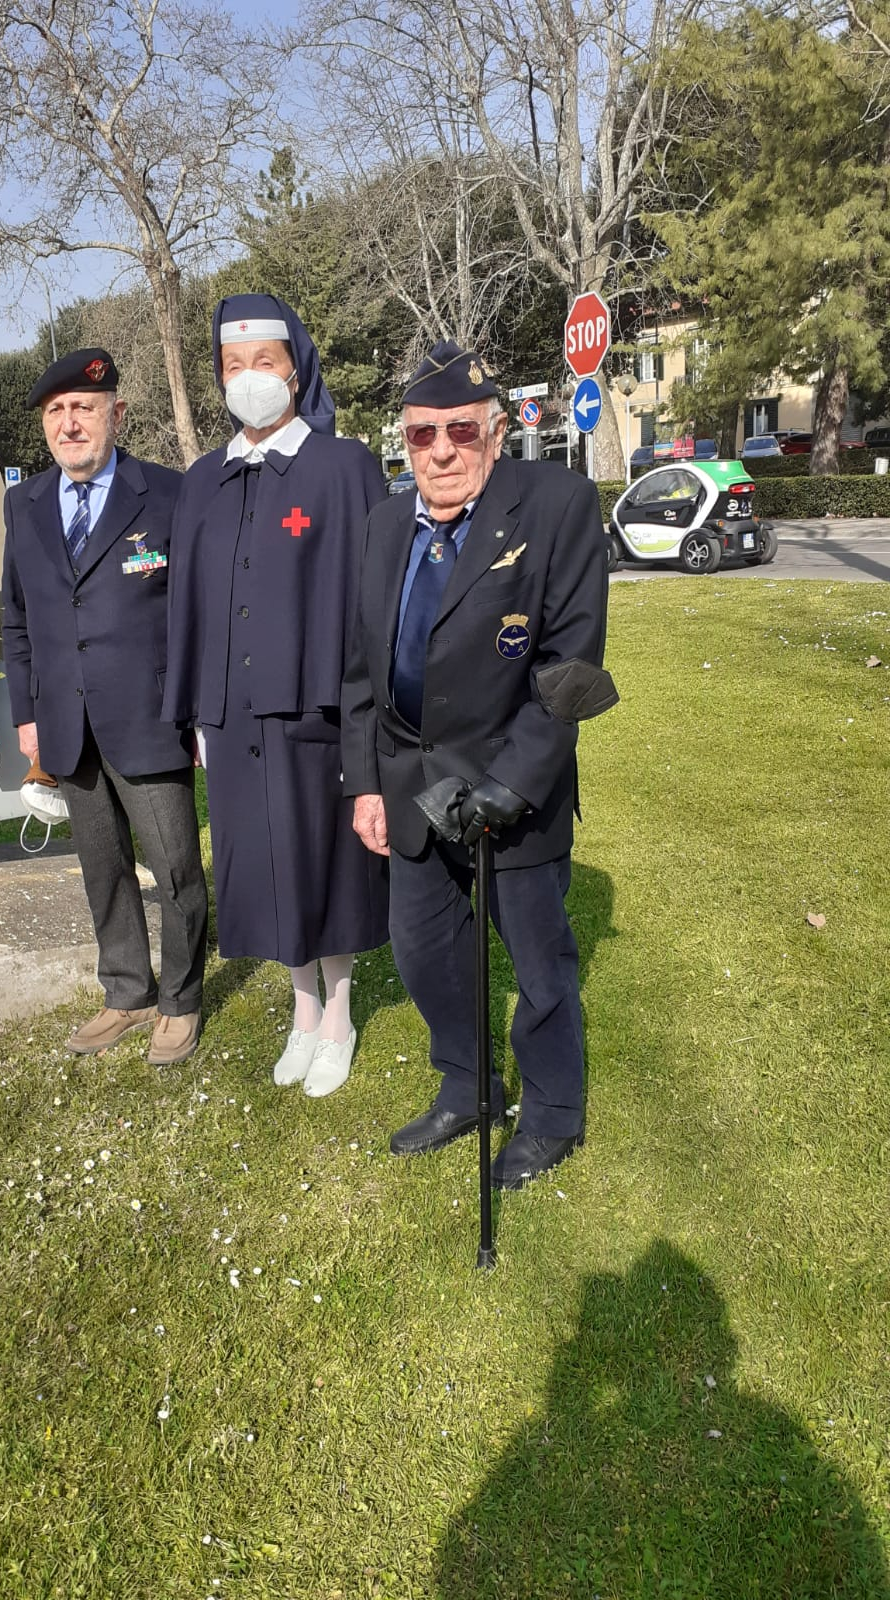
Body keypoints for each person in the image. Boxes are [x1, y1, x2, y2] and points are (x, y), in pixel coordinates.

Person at [342, 340, 616, 1183]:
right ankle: (467, 1087)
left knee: (538, 969)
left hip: (509, 789)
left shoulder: (558, 504)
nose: (443, 451)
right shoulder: (384, 526)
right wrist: (363, 785)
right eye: (423, 435)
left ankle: (554, 1114)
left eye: (461, 430)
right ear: (405, 441)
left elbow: (569, 666)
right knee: (424, 951)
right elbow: (361, 669)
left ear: (495, 433)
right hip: (411, 783)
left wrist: (514, 783)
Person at [162, 295, 389, 1097]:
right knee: (261, 860)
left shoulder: (343, 465)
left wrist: (368, 712)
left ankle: (340, 1010)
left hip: (314, 704)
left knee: (323, 859)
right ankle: (300, 1008)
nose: (249, 379)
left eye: (264, 361)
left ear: (296, 366)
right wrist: (191, 707)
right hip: (229, 710)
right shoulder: (204, 479)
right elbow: (185, 597)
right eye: (232, 366)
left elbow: (372, 597)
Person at [1, 347, 208, 1065]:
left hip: (150, 717)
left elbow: (197, 612)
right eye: (56, 412)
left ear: (116, 413)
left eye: (83, 408)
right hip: (65, 720)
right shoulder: (22, 504)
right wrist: (27, 712)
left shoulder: (170, 495)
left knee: (176, 866)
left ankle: (180, 1000)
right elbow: (17, 618)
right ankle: (127, 990)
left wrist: (196, 708)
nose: (70, 422)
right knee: (102, 868)